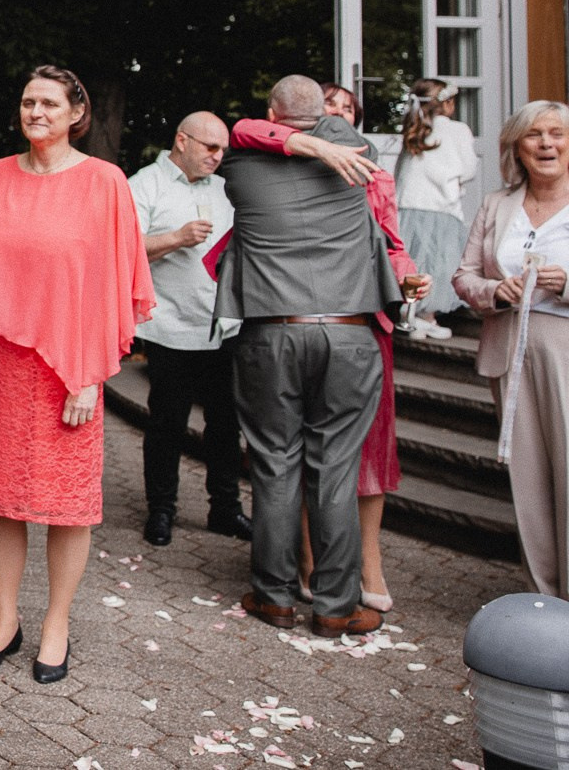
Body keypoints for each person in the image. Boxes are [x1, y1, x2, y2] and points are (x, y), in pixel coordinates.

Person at [0, 66, 153, 686]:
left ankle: (56, 623)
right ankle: (5, 619)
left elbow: (112, 286)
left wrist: (91, 374)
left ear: (75, 113)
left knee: (67, 504)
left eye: (49, 103)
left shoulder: (105, 183)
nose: (35, 111)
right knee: (2, 496)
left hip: (68, 368)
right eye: (27, 101)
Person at [222, 89, 424, 613]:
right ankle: (337, 608)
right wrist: (321, 148)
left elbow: (238, 131)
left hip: (273, 335)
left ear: (273, 116)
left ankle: (275, 598)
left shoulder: (243, 168)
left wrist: (298, 140)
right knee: (336, 467)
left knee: (274, 466)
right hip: (350, 336)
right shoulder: (357, 161)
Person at [454, 100, 569, 597]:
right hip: (510, 351)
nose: (547, 144)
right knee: (529, 481)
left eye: (558, 134)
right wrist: (494, 292)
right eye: (534, 135)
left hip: (564, 344)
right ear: (517, 148)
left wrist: (566, 282)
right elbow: (464, 275)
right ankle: (545, 600)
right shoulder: (497, 204)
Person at [128, 111, 249, 548]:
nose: (218, 157)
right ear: (182, 140)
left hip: (224, 325)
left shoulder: (224, 189)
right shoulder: (146, 184)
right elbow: (121, 245)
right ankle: (162, 510)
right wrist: (175, 238)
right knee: (167, 425)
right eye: (210, 147)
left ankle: (226, 508)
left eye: (223, 149)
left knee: (225, 425)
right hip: (171, 327)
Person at [395, 77, 477, 340]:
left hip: (409, 205)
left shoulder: (414, 129)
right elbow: (468, 168)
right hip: (441, 207)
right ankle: (425, 316)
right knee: (437, 263)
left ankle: (411, 313)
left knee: (415, 261)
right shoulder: (457, 130)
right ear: (449, 104)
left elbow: (401, 171)